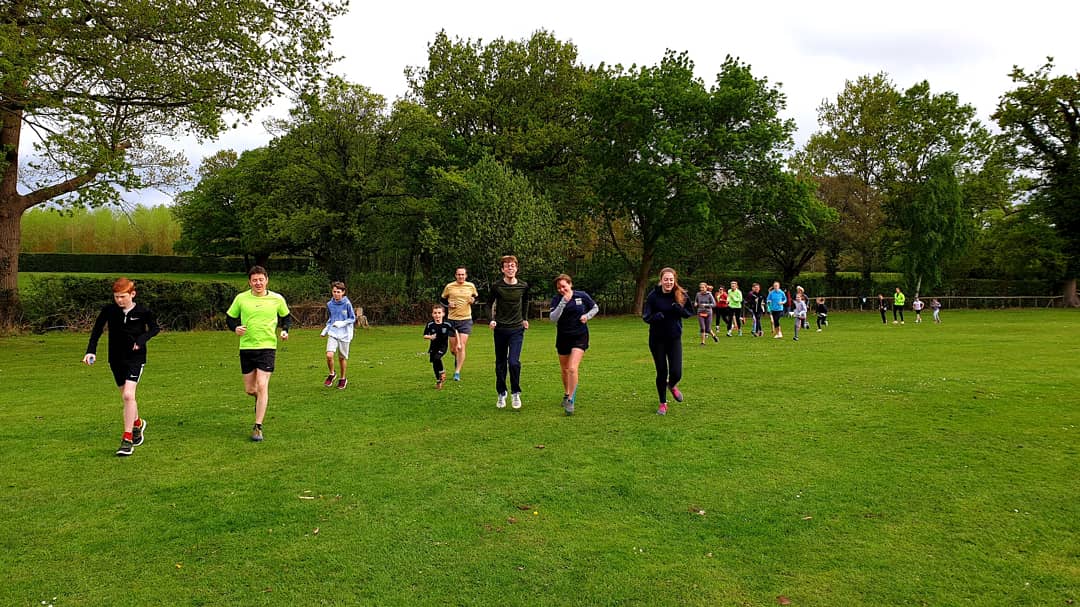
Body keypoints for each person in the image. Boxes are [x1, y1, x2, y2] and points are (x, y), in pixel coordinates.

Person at [83, 277, 160, 456]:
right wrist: (90, 351)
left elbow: (155, 329)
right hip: (115, 359)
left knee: (128, 395)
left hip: (135, 358)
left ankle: (127, 440)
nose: (119, 300)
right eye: (116, 296)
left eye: (123, 296)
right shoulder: (109, 311)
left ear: (132, 294)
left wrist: (141, 340)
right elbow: (97, 330)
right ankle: (138, 424)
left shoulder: (143, 311)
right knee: (127, 398)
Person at [226, 266, 291, 442]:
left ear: (267, 280)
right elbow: (230, 318)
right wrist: (235, 328)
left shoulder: (277, 299)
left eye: (261, 279)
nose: (258, 283)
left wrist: (285, 330)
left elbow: (286, 317)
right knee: (250, 389)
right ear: (250, 282)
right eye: (254, 280)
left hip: (268, 347)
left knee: (262, 385)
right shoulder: (241, 298)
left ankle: (258, 427)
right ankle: (261, 399)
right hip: (246, 347)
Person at [643, 267, 693, 415]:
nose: (668, 282)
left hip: (674, 338)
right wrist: (655, 317)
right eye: (666, 279)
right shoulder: (653, 296)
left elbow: (689, 313)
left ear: (674, 280)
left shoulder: (680, 294)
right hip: (657, 339)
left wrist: (680, 310)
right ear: (661, 280)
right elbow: (646, 316)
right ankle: (663, 403)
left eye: (671, 279)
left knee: (676, 372)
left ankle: (672, 385)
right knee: (662, 371)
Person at [549, 274, 599, 415]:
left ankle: (571, 399)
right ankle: (566, 393)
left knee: (572, 368)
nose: (561, 289)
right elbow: (553, 318)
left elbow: (595, 308)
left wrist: (587, 316)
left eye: (564, 286)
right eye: (558, 288)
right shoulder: (557, 299)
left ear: (570, 284)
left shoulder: (581, 296)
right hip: (563, 337)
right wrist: (563, 301)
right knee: (565, 369)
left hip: (580, 336)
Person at [489, 255, 530, 410]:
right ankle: (501, 393)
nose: (510, 268)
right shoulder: (496, 286)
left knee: (513, 362)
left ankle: (515, 393)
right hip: (500, 329)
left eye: (512, 265)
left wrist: (524, 318)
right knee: (500, 363)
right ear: (502, 269)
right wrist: (491, 319)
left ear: (516, 268)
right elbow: (488, 304)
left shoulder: (523, 286)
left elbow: (525, 301)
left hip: (517, 329)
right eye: (507, 266)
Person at [440, 267, 479, 381]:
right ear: (455, 275)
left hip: (466, 319)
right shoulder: (449, 287)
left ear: (466, 275)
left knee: (461, 346)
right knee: (453, 349)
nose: (461, 276)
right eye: (458, 275)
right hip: (451, 320)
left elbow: (475, 297)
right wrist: (448, 304)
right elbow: (442, 300)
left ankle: (457, 372)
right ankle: (457, 358)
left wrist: (473, 301)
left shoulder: (470, 286)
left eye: (462, 274)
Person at [320, 281, 356, 390]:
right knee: (329, 355)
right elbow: (331, 319)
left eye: (338, 292)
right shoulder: (330, 304)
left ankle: (343, 378)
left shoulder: (347, 303)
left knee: (342, 358)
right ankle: (332, 374)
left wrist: (343, 323)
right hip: (333, 332)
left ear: (343, 292)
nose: (336, 294)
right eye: (334, 291)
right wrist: (326, 328)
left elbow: (352, 318)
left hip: (345, 333)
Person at [423, 304, 457, 389]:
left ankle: (442, 372)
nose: (437, 315)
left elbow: (455, 332)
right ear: (432, 314)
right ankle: (438, 381)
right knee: (434, 364)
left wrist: (459, 343)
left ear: (443, 314)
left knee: (437, 358)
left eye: (439, 313)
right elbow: (425, 335)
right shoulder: (430, 324)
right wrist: (430, 337)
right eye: (435, 313)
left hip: (443, 346)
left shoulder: (447, 324)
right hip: (433, 347)